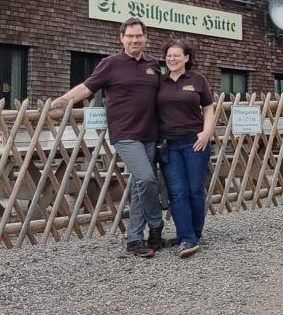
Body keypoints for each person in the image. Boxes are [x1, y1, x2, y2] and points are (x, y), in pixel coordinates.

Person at [51, 17, 163, 258]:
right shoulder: (110, 64)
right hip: (125, 133)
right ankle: (156, 223)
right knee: (146, 179)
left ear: (145, 38)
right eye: (130, 36)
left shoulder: (154, 65)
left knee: (138, 187)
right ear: (121, 38)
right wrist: (61, 101)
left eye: (139, 36)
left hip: (151, 134)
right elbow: (87, 87)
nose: (135, 40)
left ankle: (135, 239)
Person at [157, 38, 214, 259]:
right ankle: (186, 237)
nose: (172, 59)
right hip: (169, 145)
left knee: (195, 190)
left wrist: (206, 132)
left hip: (195, 142)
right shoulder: (159, 82)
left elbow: (208, 107)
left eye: (176, 55)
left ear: (186, 58)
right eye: (169, 55)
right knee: (177, 192)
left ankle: (195, 233)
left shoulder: (197, 80)